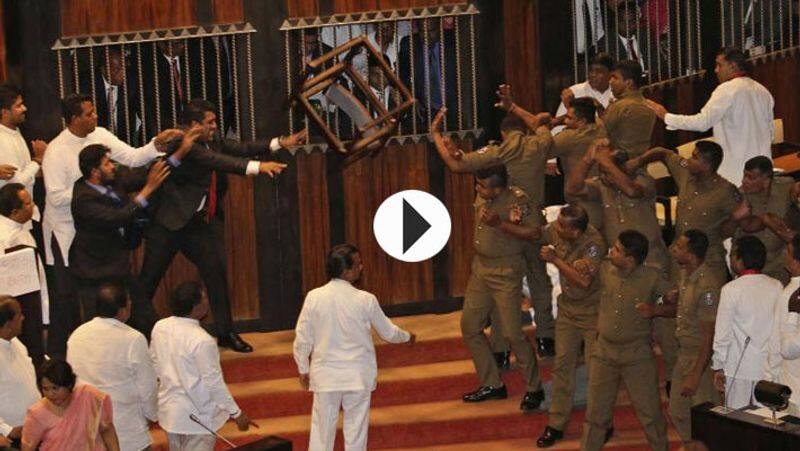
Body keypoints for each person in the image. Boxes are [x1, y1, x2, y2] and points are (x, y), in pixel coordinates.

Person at [133, 99, 305, 351]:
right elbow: (220, 162)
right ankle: (133, 337)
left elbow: (240, 148)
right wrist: (259, 167)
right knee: (147, 281)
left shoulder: (212, 141)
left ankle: (225, 333)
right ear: (194, 125)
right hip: (168, 224)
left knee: (216, 272)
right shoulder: (179, 143)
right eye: (210, 122)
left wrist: (280, 142)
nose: (215, 126)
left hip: (195, 224)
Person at [42, 92, 181, 358]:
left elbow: (133, 157)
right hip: (67, 232)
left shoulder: (101, 136)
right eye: (89, 113)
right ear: (74, 119)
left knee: (131, 299)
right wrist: (92, 194)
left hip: (101, 237)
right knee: (67, 301)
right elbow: (56, 196)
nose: (96, 116)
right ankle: (63, 358)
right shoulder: (57, 151)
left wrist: (156, 147)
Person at [432, 96, 557, 358]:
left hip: (501, 232)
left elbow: (455, 163)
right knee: (539, 280)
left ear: (503, 133)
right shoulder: (540, 144)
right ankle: (546, 337)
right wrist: (516, 107)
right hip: (532, 222)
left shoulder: (494, 153)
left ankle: (500, 350)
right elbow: (539, 123)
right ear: (523, 131)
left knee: (503, 294)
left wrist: (436, 136)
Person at [294, 244, 414, 451]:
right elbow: (388, 333)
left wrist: (303, 368)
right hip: (357, 375)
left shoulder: (314, 297)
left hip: (326, 375)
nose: (362, 267)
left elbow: (303, 338)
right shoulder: (366, 300)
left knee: (321, 434)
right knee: (356, 433)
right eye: (358, 264)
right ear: (346, 271)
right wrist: (407, 337)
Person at [69, 137, 190, 319]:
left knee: (144, 314)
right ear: (95, 171)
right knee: (98, 324)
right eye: (107, 163)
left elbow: (147, 175)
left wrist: (178, 154)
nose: (113, 166)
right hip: (94, 270)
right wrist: (147, 191)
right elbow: (119, 217)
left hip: (118, 265)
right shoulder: (83, 198)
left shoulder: (112, 179)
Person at [458, 164, 545, 411]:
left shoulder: (518, 201)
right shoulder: (483, 195)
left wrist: (501, 224)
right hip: (481, 269)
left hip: (506, 271)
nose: (477, 189)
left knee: (512, 334)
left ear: (498, 188)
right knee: (470, 327)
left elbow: (535, 233)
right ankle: (493, 384)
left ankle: (534, 388)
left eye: (482, 186)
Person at [581, 230, 673, 451]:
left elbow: (679, 305)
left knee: (650, 413)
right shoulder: (605, 269)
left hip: (637, 356)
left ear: (630, 259)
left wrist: (655, 310)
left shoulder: (652, 278)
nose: (612, 251)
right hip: (604, 352)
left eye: (618, 250)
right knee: (595, 414)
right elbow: (585, 272)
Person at [639, 230, 725, 443]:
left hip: (701, 357)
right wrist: (657, 309)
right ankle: (693, 446)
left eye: (678, 247)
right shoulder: (685, 276)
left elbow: (709, 334)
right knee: (678, 411)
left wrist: (696, 374)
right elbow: (678, 309)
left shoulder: (707, 285)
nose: (673, 250)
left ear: (691, 253)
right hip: (684, 353)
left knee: (704, 414)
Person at [646, 47, 775, 185]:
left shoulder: (726, 89)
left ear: (733, 66)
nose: (716, 70)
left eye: (719, 65)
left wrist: (666, 116)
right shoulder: (762, 90)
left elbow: (702, 122)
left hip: (736, 174)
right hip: (763, 172)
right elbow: (771, 134)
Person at [535, 205, 606, 448]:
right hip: (567, 310)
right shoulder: (557, 230)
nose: (556, 227)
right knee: (562, 366)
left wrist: (556, 259)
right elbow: (537, 232)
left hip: (592, 313)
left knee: (597, 372)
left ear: (575, 231)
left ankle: (600, 423)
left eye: (562, 225)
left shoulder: (594, 243)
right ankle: (556, 423)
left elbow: (584, 281)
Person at [150, 281, 252, 451]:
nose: (207, 301)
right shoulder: (202, 340)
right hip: (198, 418)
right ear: (195, 307)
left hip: (171, 414)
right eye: (204, 298)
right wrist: (236, 413)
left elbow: (154, 363)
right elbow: (213, 383)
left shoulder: (161, 327)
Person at [67, 283, 158, 451]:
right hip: (127, 427)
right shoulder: (133, 339)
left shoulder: (77, 335)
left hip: (89, 425)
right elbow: (148, 386)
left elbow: (72, 381)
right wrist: (152, 414)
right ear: (123, 309)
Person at [712, 236, 783, 409]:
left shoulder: (731, 289)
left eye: (732, 256)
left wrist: (718, 366)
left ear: (739, 260)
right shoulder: (776, 285)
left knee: (737, 419)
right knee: (766, 419)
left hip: (738, 367)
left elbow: (723, 334)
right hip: (768, 367)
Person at [21, 359, 119, 451]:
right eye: (46, 389)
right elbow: (27, 448)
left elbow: (107, 429)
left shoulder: (89, 397)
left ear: (69, 384)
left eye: (55, 388)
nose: (50, 394)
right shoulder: (36, 413)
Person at [0, 184, 46, 364]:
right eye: (27, 204)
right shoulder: (7, 238)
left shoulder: (20, 227)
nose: (33, 206)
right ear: (14, 212)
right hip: (20, 307)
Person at [732, 156, 794, 285]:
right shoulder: (739, 196)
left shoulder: (786, 187)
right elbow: (746, 226)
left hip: (780, 267)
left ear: (766, 181)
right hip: (751, 269)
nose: (744, 181)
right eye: (744, 176)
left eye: (751, 177)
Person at [549, 97, 608, 229]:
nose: (565, 121)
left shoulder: (570, 138)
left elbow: (541, 149)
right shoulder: (600, 126)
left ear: (582, 121)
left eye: (569, 118)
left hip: (580, 203)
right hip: (603, 199)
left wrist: (545, 126)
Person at [0, 85, 47, 228]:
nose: (25, 108)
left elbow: (26, 172)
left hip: (25, 215)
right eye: (19, 106)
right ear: (5, 112)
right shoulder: (2, 139)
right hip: (13, 220)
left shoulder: (15, 131)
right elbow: (17, 183)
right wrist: (37, 160)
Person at [0, 296, 40, 449]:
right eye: (19, 315)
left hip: (32, 429)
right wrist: (5, 429)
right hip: (10, 439)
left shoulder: (16, 343)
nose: (23, 318)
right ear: (9, 324)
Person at [766, 234, 800, 415]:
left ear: (795, 262)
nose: (783, 254)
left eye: (787, 251)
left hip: (795, 391)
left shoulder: (791, 295)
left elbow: (783, 348)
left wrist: (770, 379)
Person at [82, 48, 140, 143]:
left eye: (124, 68)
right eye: (117, 69)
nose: (123, 74)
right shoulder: (87, 85)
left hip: (123, 141)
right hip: (95, 142)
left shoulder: (132, 82)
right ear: (104, 69)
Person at [602, 59, 656, 158]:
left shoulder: (620, 106)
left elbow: (599, 131)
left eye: (615, 78)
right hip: (640, 163)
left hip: (616, 164)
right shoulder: (648, 105)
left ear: (629, 83)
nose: (610, 82)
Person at [552, 53, 614, 135]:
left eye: (599, 72)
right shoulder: (574, 91)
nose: (593, 75)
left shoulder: (616, 92)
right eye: (591, 71)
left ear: (610, 74)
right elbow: (557, 128)